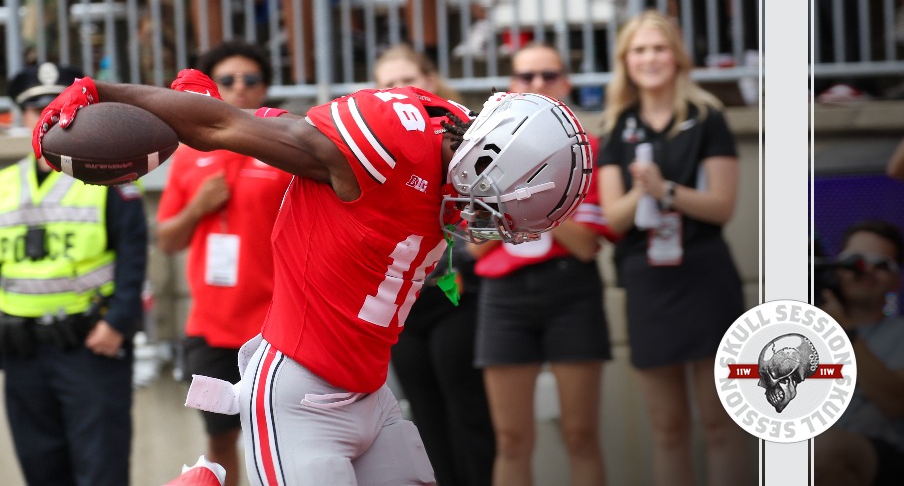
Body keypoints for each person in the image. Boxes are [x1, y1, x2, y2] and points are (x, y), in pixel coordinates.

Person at [32, 61, 593, 484]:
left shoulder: (447, 136)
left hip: (372, 393)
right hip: (299, 396)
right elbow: (226, 130)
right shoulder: (395, 141)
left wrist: (258, 119)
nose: (482, 220)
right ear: (487, 151)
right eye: (493, 202)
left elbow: (306, 146)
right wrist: (105, 92)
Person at [596, 10, 752, 486]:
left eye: (659, 48)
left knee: (720, 423)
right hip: (646, 278)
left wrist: (665, 190)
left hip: (704, 276)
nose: (650, 58)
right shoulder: (615, 125)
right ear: (626, 60)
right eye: (640, 50)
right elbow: (612, 219)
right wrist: (641, 193)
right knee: (667, 428)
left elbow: (722, 207)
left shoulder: (707, 116)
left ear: (677, 55)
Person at [467, 41, 617, 486]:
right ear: (511, 85)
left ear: (566, 82)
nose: (536, 85)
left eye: (547, 76)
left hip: (570, 289)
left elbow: (587, 244)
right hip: (504, 297)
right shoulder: (484, 148)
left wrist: (534, 195)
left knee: (580, 434)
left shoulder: (587, 147)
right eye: (525, 77)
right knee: (511, 439)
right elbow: (476, 246)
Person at [0, 62, 148, 485]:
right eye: (35, 109)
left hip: (90, 346)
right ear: (22, 118)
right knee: (41, 470)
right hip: (21, 352)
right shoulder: (4, 184)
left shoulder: (109, 180)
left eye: (56, 106)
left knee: (100, 470)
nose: (45, 116)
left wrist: (118, 323)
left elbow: (134, 256)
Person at [156, 40, 293, 486]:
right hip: (210, 331)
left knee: (284, 440)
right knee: (217, 444)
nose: (239, 88)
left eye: (250, 80)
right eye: (227, 80)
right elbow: (168, 240)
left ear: (265, 88)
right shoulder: (189, 155)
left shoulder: (287, 149)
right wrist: (198, 207)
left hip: (277, 329)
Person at [373, 43, 495, 486]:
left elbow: (490, 210)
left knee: (467, 407)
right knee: (421, 416)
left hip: (455, 289)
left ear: (431, 80)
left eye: (409, 78)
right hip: (402, 303)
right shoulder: (373, 147)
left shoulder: (467, 136)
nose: (400, 90)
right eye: (388, 84)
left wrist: (466, 247)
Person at [815, 219, 904, 486]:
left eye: (882, 265)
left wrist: (846, 330)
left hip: (887, 456)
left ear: (896, 282)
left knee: (827, 449)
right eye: (855, 261)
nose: (866, 271)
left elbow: (896, 403)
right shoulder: (807, 330)